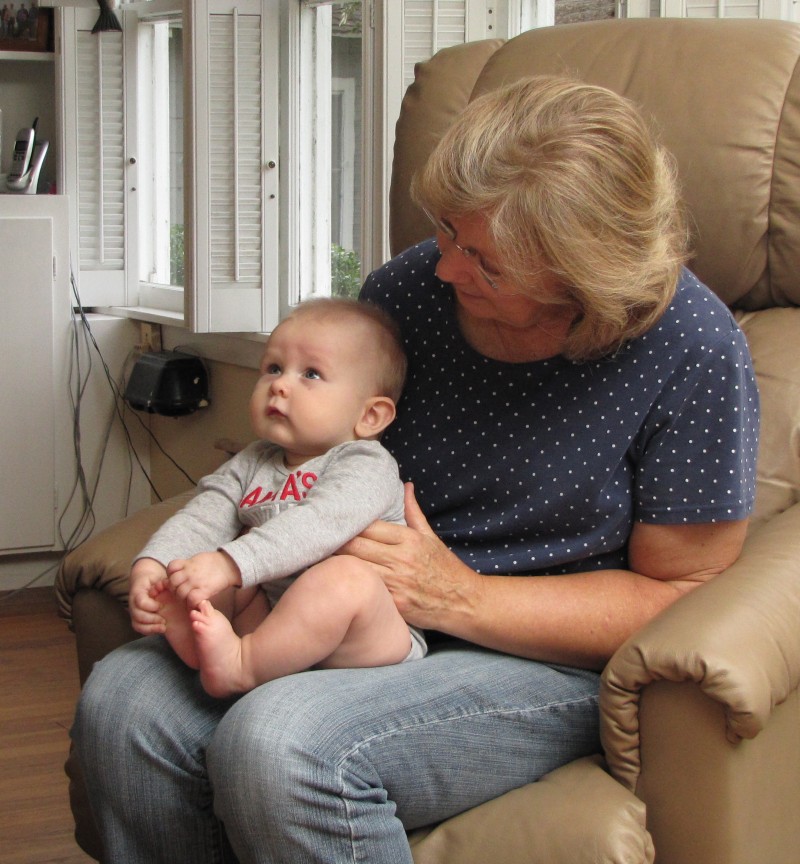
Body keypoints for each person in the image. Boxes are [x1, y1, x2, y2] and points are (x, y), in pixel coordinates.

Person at [72, 75, 759, 863]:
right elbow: (308, 467)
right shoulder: (406, 293)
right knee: (124, 704)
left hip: (539, 658)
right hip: (359, 615)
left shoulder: (690, 346)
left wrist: (461, 596)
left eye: (485, 263)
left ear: (582, 272)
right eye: (447, 233)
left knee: (284, 743)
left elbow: (685, 593)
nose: (446, 271)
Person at [128, 297, 426, 698]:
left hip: (363, 638)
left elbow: (317, 524)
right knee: (199, 574)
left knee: (345, 577)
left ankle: (241, 665)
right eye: (273, 368)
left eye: (312, 373)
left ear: (369, 416)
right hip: (275, 624)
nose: (280, 385)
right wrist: (156, 564)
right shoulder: (253, 461)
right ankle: (204, 646)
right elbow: (203, 515)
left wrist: (231, 564)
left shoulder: (366, 464)